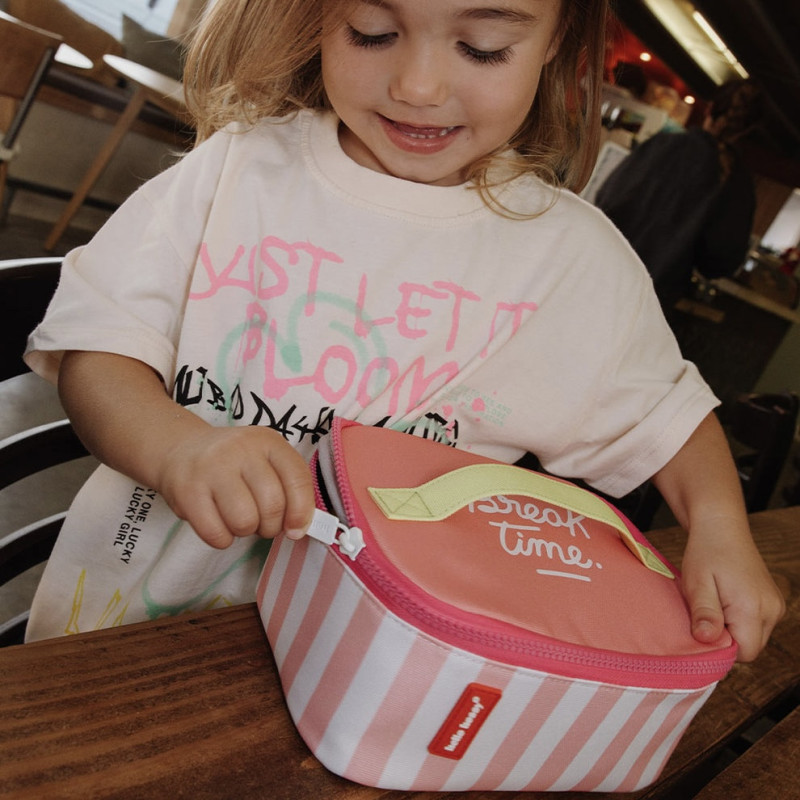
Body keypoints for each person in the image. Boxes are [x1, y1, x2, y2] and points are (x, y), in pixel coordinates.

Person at [23, 0, 783, 660]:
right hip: (116, 646)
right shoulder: (240, 170)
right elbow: (98, 353)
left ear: (558, 39)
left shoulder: (568, 263)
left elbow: (670, 421)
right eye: (371, 32)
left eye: (483, 47)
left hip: (367, 667)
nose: (418, 87)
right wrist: (175, 445)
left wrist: (720, 527)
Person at [595, 78, 764, 315]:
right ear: (751, 129)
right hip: (650, 304)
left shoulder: (663, 144)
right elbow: (720, 262)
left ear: (710, 108)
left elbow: (605, 199)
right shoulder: (739, 185)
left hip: (597, 271)